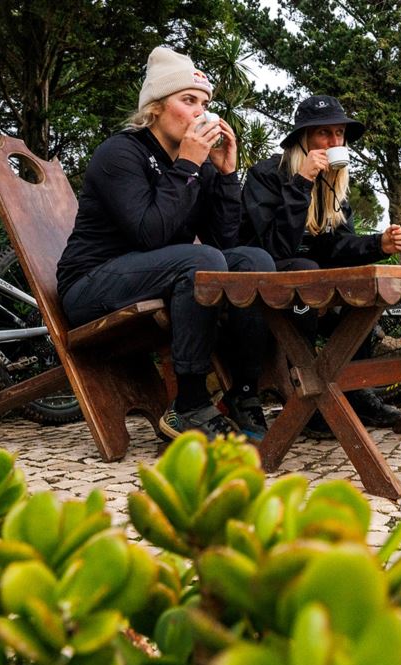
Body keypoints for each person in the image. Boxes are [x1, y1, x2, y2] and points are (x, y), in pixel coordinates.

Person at [57, 46, 273, 441]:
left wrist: (225, 175)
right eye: (188, 100)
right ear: (155, 108)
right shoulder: (120, 152)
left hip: (156, 274)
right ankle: (189, 403)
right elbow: (149, 233)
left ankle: (244, 392)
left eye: (205, 103)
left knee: (252, 261)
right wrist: (188, 165)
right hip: (90, 283)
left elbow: (225, 243)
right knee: (198, 262)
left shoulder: (202, 166)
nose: (200, 112)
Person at [240, 95, 401, 427]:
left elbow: (336, 246)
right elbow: (276, 249)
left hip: (311, 281)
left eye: (339, 134)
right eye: (324, 134)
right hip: (259, 283)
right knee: (306, 273)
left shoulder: (333, 185)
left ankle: (355, 392)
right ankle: (309, 399)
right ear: (303, 138)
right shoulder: (266, 175)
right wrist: (301, 183)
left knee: (359, 284)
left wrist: (379, 243)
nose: (334, 142)